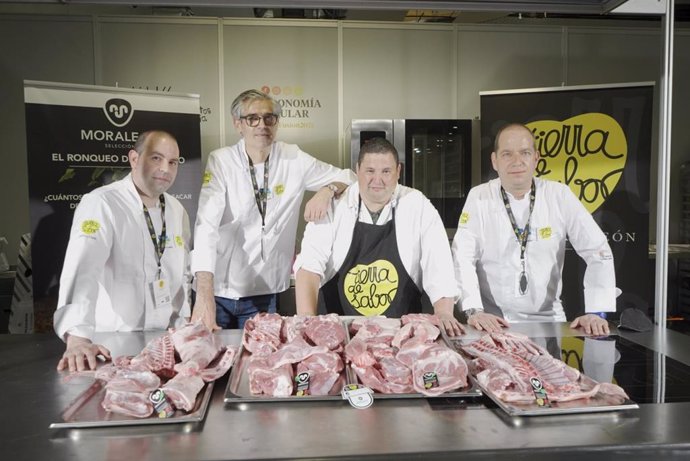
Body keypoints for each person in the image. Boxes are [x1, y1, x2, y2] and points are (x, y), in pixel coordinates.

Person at [191, 89, 354, 330]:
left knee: (259, 363)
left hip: (265, 294)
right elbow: (206, 226)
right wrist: (204, 293)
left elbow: (348, 176)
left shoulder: (293, 158)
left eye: (269, 118)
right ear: (238, 124)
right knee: (213, 361)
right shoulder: (222, 161)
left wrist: (327, 189)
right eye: (252, 118)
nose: (262, 125)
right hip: (220, 292)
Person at [451, 123, 616, 336]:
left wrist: (597, 311)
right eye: (507, 154)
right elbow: (462, 257)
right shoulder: (479, 196)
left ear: (536, 158)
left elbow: (598, 249)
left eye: (525, 153)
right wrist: (474, 310)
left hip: (550, 323)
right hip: (493, 323)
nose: (517, 161)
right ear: (495, 161)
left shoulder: (559, 195)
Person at [294, 137, 465, 337]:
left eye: (386, 171)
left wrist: (444, 312)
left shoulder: (417, 204)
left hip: (401, 336)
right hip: (338, 333)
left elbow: (439, 264)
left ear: (398, 171)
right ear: (357, 170)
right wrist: (308, 321)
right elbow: (309, 268)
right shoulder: (333, 205)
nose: (378, 180)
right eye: (370, 171)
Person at [54, 130, 191, 371]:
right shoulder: (102, 203)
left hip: (166, 343)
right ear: (134, 158)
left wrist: (185, 324)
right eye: (156, 158)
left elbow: (184, 274)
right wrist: (77, 337)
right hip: (113, 344)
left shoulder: (176, 209)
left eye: (172, 162)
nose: (166, 169)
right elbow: (82, 269)